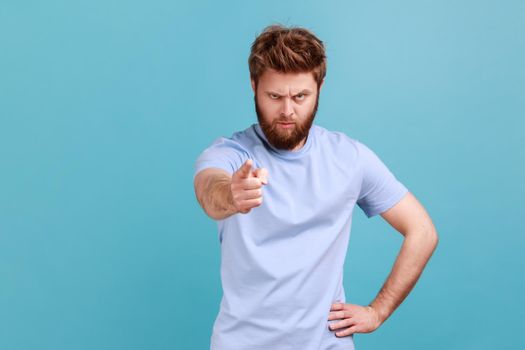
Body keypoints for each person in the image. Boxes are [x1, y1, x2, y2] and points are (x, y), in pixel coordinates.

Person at [193, 24, 438, 350]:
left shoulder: (350, 158)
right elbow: (210, 189)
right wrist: (230, 194)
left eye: (300, 96)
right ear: (253, 86)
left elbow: (422, 231)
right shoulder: (231, 154)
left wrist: (377, 311)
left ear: (320, 87)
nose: (287, 110)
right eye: (274, 96)